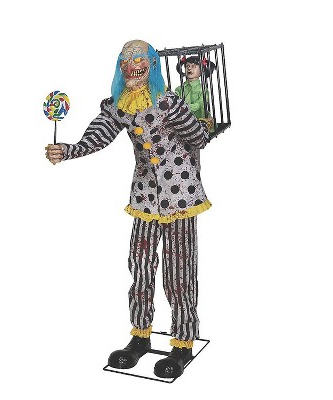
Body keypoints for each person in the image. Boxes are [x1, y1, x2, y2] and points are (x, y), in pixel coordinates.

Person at [45, 39, 211, 379]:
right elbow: (99, 134)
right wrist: (69, 150)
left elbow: (198, 138)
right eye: (126, 59)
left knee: (179, 272)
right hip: (145, 195)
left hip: (181, 195)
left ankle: (183, 342)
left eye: (139, 59)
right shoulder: (119, 105)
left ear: (151, 65)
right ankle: (140, 335)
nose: (132, 65)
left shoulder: (169, 102)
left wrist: (185, 122)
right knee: (140, 264)